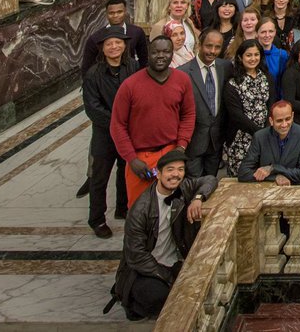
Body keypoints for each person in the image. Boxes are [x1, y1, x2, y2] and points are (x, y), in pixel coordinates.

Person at [111, 149, 216, 320]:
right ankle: (132, 303)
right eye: (170, 170)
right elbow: (136, 256)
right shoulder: (140, 210)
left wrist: (198, 198)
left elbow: (210, 179)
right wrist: (167, 277)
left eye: (180, 169)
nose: (176, 174)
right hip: (148, 269)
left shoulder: (183, 188)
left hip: (173, 261)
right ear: (158, 174)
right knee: (163, 298)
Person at [109, 36, 197, 207]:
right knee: (139, 209)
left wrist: (181, 147)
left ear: (172, 54)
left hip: (171, 153)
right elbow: (117, 125)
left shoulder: (182, 80)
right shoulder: (130, 85)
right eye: (155, 52)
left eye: (166, 51)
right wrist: (131, 159)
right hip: (141, 158)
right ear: (148, 54)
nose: (161, 56)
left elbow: (188, 115)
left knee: (173, 208)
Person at [83, 32, 131, 237]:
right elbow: (92, 108)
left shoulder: (132, 68)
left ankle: (123, 207)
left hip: (128, 131)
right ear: (102, 48)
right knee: (99, 177)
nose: (114, 47)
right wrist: (117, 123)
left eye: (117, 43)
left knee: (125, 170)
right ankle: (97, 220)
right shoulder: (93, 74)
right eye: (109, 44)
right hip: (104, 134)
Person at [180, 30, 231, 178]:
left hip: (216, 142)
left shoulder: (226, 68)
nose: (212, 51)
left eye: (217, 47)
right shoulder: (183, 73)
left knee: (210, 186)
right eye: (209, 46)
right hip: (193, 142)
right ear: (200, 45)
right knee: (193, 187)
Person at [222, 39, 274, 176]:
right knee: (241, 179)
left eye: (256, 55)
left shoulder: (266, 77)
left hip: (265, 135)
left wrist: (267, 131)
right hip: (240, 138)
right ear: (240, 57)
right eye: (248, 55)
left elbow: (271, 105)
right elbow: (236, 115)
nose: (253, 59)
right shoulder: (232, 83)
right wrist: (259, 133)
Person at [237, 101, 300, 185]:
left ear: (293, 116)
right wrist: (276, 177)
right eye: (279, 121)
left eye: (288, 119)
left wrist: (273, 168)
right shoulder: (260, 137)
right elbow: (243, 173)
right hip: (265, 190)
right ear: (271, 120)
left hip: (294, 189)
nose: (284, 125)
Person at [81, 0, 148, 75]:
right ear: (106, 14)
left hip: (131, 76)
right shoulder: (95, 38)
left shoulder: (137, 32)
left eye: (119, 12)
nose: (115, 15)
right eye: (111, 13)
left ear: (125, 11)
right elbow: (86, 67)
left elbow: (144, 59)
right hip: (105, 80)